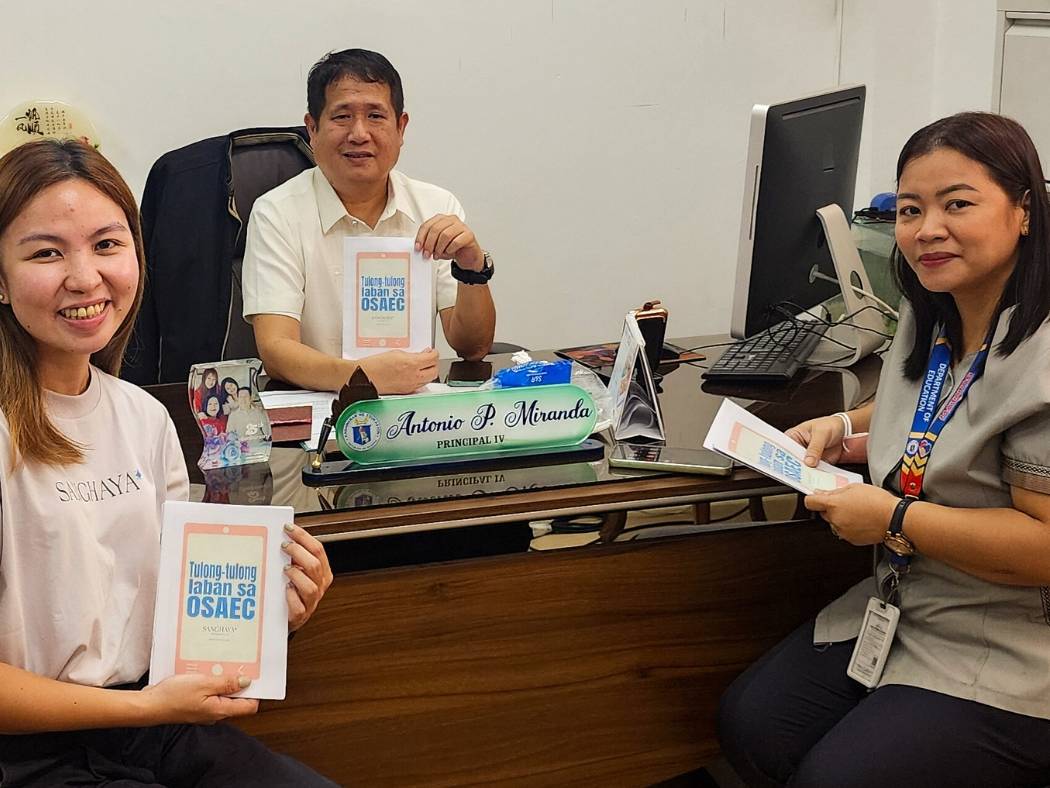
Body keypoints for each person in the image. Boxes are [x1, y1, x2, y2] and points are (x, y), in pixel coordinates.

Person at [716, 112, 1050, 787]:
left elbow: (1043, 544)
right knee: (753, 726)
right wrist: (847, 425)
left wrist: (893, 518)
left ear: (1023, 211)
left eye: (958, 203)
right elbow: (942, 397)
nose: (928, 229)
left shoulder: (1042, 353)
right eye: (909, 209)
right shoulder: (939, 309)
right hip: (905, 604)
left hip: (1012, 640)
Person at [0, 138, 336, 787]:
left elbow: (175, 619)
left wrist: (270, 615)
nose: (85, 276)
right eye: (46, 252)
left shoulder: (143, 417)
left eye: (107, 243)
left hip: (150, 730)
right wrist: (144, 705)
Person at [242, 48, 497, 395]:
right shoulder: (277, 212)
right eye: (342, 117)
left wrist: (472, 267)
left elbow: (472, 347)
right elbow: (275, 350)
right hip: (325, 410)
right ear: (312, 129)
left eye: (376, 116)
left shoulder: (437, 206)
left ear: (400, 127)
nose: (359, 133)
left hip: (419, 415)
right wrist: (362, 376)